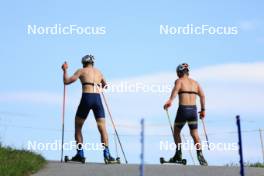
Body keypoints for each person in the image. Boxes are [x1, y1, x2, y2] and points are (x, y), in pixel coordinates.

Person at [61, 54, 116, 162]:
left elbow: (66, 81)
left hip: (86, 98)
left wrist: (64, 70)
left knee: (78, 127)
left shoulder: (81, 70)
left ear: (83, 63)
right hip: (97, 99)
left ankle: (80, 154)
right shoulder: (99, 72)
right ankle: (107, 155)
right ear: (93, 63)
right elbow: (105, 86)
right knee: (102, 128)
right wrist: (98, 84)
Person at [164, 63, 208, 166]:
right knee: (195, 134)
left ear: (180, 72)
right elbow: (202, 96)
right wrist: (203, 110)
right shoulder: (195, 83)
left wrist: (170, 101)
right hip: (193, 110)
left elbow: (175, 91)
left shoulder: (179, 81)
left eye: (177, 73)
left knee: (176, 132)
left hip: (183, 110)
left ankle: (178, 154)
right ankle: (200, 155)